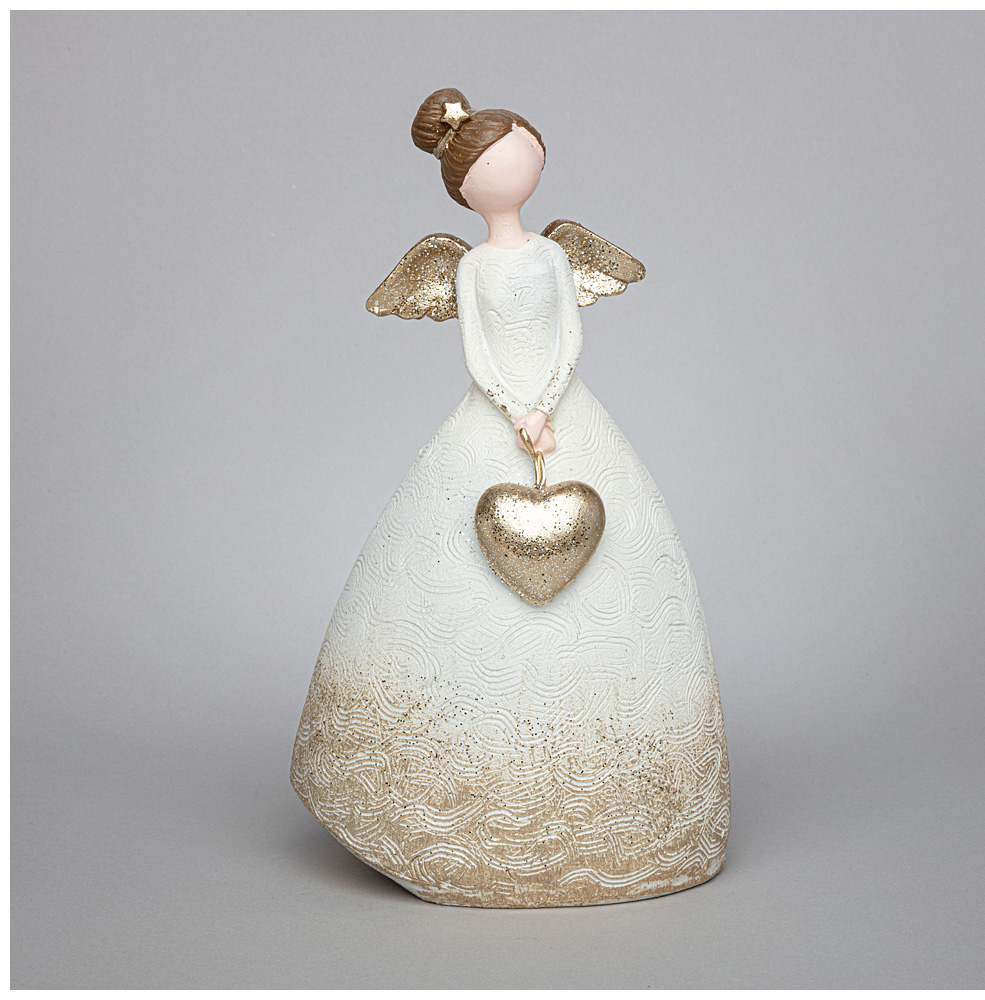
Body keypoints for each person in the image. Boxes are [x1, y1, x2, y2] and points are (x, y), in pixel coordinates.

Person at [291, 89, 730, 908]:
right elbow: (478, 353)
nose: (518, 167)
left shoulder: (554, 255)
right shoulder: (470, 266)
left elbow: (570, 335)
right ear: (463, 185)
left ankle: (635, 810)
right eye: (498, 160)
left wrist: (548, 401)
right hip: (502, 416)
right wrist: (515, 408)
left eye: (525, 153)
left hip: (559, 413)